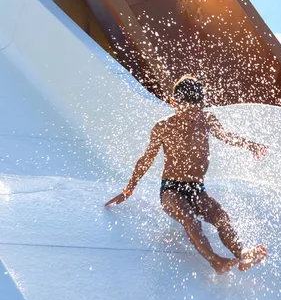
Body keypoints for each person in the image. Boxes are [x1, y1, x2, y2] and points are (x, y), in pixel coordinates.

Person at [105, 76, 268, 274]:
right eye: (187, 109)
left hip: (197, 189)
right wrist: (128, 190)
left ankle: (243, 254)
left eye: (196, 108)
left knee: (221, 216)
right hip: (171, 189)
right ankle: (215, 260)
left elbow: (227, 136)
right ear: (174, 103)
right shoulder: (163, 127)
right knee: (191, 220)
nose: (192, 114)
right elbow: (146, 160)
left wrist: (252, 145)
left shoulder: (206, 119)